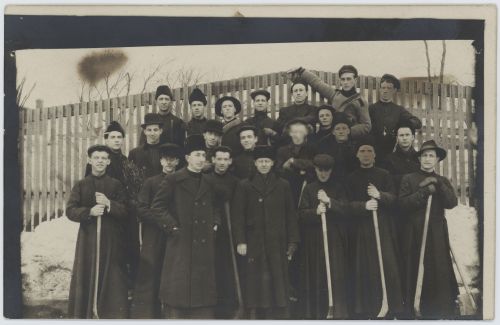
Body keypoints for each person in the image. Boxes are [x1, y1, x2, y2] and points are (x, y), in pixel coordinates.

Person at [150, 135, 221, 319]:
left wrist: (215, 223)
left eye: (203, 155)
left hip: (204, 240)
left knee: (202, 289)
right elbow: (157, 207)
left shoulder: (209, 181)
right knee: (178, 286)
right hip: (181, 240)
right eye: (197, 154)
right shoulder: (174, 179)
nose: (200, 159)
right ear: (188, 158)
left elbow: (216, 206)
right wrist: (172, 227)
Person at [232, 145, 300, 319]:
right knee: (256, 282)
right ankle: (255, 317)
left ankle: (277, 317)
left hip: (277, 242)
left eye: (267, 161)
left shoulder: (282, 185)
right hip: (253, 242)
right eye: (260, 161)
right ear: (255, 163)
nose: (263, 164)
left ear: (272, 163)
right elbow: (238, 216)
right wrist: (240, 241)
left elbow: (291, 215)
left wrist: (292, 243)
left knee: (276, 280)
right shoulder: (244, 185)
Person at [344, 136, 404, 319]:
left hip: (383, 227)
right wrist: (363, 206)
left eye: (369, 150)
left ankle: (390, 305)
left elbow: (394, 199)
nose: (366, 154)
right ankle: (366, 308)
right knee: (364, 266)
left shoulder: (384, 175)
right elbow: (346, 205)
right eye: (362, 151)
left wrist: (380, 195)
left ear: (375, 154)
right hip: (361, 229)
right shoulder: (351, 178)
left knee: (387, 264)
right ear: (356, 154)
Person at [66, 145, 129, 319]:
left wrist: (109, 204)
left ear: (108, 161)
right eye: (96, 157)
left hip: (110, 239)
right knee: (88, 272)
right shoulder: (81, 185)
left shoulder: (116, 185)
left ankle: (108, 315)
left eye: (103, 158)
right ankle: (86, 314)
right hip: (88, 238)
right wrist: (89, 212)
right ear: (90, 160)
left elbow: (125, 210)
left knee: (111, 276)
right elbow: (70, 211)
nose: (100, 161)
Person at [398, 140, 458, 319]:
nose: (427, 159)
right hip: (414, 231)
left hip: (437, 231)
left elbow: (452, 203)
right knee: (416, 267)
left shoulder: (443, 180)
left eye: (431, 155)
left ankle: (440, 308)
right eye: (424, 155)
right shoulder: (408, 178)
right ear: (420, 158)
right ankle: (416, 306)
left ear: (437, 159)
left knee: (438, 268)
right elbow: (402, 204)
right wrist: (424, 192)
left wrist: (438, 185)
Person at [130, 143, 181, 319]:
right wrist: (161, 222)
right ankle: (145, 315)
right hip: (154, 233)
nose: (169, 163)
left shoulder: (182, 181)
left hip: (175, 234)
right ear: (160, 161)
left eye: (172, 159)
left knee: (173, 273)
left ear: (178, 161)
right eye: (165, 159)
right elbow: (142, 208)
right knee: (150, 271)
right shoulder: (151, 182)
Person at [298, 154, 350, 319]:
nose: (323, 174)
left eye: (326, 170)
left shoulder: (339, 187)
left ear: (331, 170)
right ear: (315, 169)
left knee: (335, 274)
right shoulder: (309, 188)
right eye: (320, 170)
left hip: (334, 237)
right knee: (316, 274)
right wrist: (315, 212)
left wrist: (329, 202)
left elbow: (346, 209)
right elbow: (300, 214)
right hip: (314, 239)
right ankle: (317, 313)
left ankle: (337, 312)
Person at [205, 146, 241, 318]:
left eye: (225, 159)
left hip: (229, 231)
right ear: (213, 160)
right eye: (218, 159)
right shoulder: (205, 179)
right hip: (210, 228)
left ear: (230, 161)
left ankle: (228, 307)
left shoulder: (235, 182)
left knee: (227, 268)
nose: (221, 163)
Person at [288, 66, 371, 140]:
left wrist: (347, 131)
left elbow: (366, 126)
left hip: (348, 139)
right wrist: (301, 70)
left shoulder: (360, 101)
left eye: (349, 79)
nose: (346, 82)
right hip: (331, 136)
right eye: (343, 79)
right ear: (340, 81)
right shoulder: (335, 95)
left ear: (355, 80)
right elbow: (318, 83)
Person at [369, 74, 422, 161]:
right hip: (373, 153)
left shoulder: (399, 110)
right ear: (380, 89)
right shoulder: (371, 109)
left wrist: (402, 124)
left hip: (391, 153)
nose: (385, 91)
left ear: (394, 90)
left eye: (389, 88)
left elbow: (417, 123)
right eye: (383, 88)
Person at [276, 119, 316, 206]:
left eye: (301, 132)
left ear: (306, 133)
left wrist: (294, 161)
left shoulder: (312, 149)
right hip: (289, 188)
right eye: (294, 132)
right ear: (290, 133)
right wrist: (284, 167)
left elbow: (315, 164)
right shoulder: (282, 150)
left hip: (307, 187)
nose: (297, 135)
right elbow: (278, 171)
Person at [379, 121, 421, 193]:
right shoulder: (389, 159)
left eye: (407, 135)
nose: (404, 138)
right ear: (397, 138)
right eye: (401, 135)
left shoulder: (419, 158)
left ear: (413, 137)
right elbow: (387, 183)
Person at [316, 112, 358, 181]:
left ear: (348, 131)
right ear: (333, 132)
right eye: (338, 129)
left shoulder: (355, 146)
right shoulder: (325, 147)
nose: (341, 132)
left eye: (344, 128)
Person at [129, 113, 164, 178]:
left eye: (155, 130)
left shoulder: (166, 150)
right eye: (149, 130)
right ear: (145, 131)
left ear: (161, 131)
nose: (152, 133)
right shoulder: (134, 153)